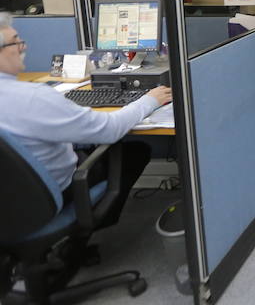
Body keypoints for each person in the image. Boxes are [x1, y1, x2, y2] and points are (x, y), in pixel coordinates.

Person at [0, 12, 171, 226]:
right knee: (134, 151)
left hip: (8, 200)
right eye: (15, 42)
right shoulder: (33, 98)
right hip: (43, 199)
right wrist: (149, 100)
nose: (23, 47)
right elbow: (109, 130)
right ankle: (80, 236)